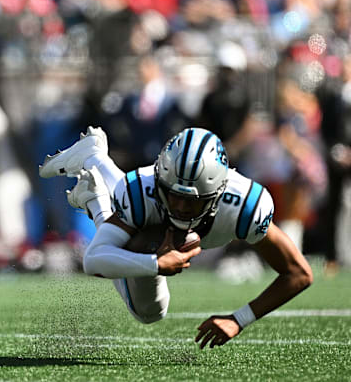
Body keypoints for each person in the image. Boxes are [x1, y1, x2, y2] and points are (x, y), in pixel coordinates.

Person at [39, 126, 312, 349]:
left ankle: (95, 166)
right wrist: (156, 263)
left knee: (147, 303)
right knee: (149, 312)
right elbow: (94, 260)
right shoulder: (142, 189)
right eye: (173, 195)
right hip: (149, 227)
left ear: (217, 194)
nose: (180, 207)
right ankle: (97, 198)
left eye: (191, 202)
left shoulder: (244, 206)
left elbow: (298, 274)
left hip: (156, 199)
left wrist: (239, 319)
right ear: (160, 181)